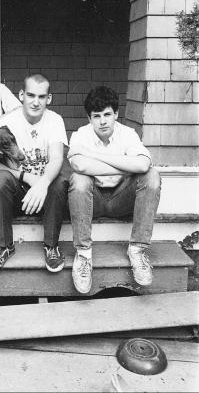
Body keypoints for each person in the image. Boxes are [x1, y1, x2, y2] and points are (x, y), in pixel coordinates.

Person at [67, 86, 161, 294]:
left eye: (107, 114)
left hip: (121, 198)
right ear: (89, 118)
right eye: (96, 116)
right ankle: (83, 254)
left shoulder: (127, 134)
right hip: (92, 201)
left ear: (116, 114)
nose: (103, 121)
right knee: (79, 180)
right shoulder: (80, 135)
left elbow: (143, 165)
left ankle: (137, 250)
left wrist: (95, 156)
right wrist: (125, 165)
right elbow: (80, 166)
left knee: (152, 176)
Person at [0, 73, 69, 272]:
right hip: (17, 193)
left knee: (59, 181)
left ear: (49, 98)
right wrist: (26, 177)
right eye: (31, 95)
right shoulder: (7, 122)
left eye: (41, 97)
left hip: (44, 194)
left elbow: (57, 158)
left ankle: (51, 246)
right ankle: (4, 245)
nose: (35, 102)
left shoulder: (54, 120)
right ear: (21, 95)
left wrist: (42, 183)